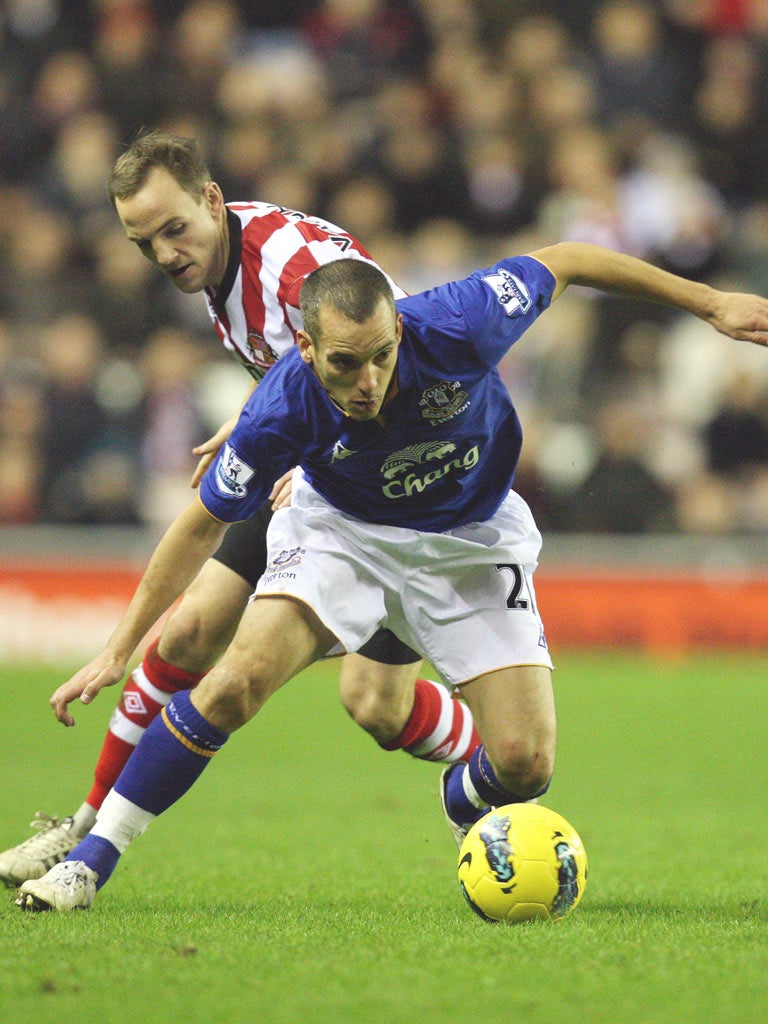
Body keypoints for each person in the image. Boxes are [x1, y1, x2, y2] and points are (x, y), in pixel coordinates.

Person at [16, 245, 768, 911]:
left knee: (525, 763)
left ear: (399, 329)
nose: (369, 380)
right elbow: (199, 524)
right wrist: (120, 647)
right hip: (345, 535)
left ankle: (459, 794)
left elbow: (570, 260)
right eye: (346, 363)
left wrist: (710, 305)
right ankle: (91, 859)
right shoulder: (281, 407)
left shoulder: (461, 321)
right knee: (234, 680)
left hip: (471, 540)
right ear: (305, 348)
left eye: (382, 354)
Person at [0, 131, 480, 888]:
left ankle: (486, 757)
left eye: (173, 229)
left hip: (390, 489)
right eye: (144, 242)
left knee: (375, 704)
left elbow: (391, 341)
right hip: (314, 470)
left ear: (212, 200)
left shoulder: (293, 264)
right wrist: (274, 414)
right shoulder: (219, 272)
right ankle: (85, 830)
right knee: (190, 629)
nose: (163, 254)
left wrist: (324, 438)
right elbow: (296, 367)